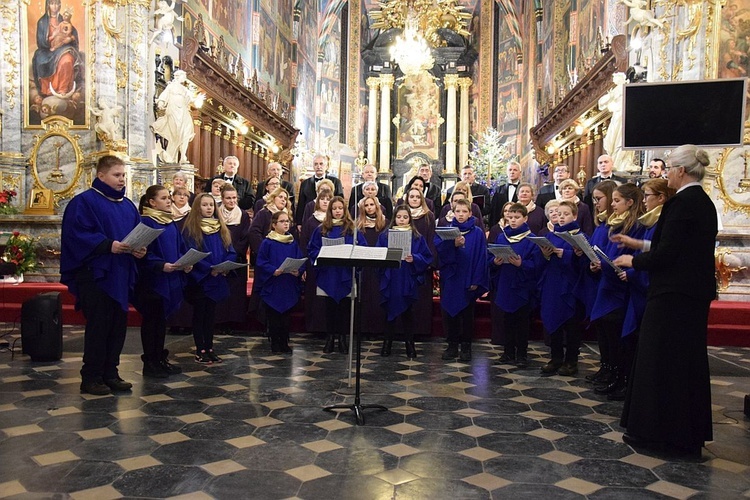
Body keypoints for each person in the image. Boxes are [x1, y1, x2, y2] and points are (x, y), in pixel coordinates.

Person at [614, 145, 717, 457]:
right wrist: (639, 243)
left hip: (672, 296)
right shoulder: (704, 203)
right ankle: (686, 435)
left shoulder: (680, 203)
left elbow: (668, 254)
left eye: (670, 167)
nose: (666, 172)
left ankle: (658, 435)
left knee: (661, 363)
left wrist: (634, 261)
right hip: (692, 295)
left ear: (680, 172)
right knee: (686, 365)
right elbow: (678, 246)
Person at [60, 155, 146, 395]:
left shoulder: (127, 205)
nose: (122, 180)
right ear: (101, 176)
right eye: (117, 175)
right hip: (96, 274)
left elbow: (137, 232)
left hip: (120, 273)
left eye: (123, 176)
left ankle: (111, 373)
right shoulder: (84, 202)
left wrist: (140, 248)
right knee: (99, 326)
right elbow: (76, 235)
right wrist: (109, 245)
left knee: (118, 326)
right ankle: (91, 377)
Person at [606, 178, 675, 401]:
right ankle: (625, 380)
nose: (644, 200)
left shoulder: (660, 222)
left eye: (647, 196)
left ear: (661, 198)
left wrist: (633, 268)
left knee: (635, 340)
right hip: (637, 284)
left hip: (645, 286)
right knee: (629, 340)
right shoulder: (650, 223)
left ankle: (631, 385)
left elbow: (658, 256)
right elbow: (648, 251)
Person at [589, 183, 644, 398]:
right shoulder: (615, 223)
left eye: (616, 200)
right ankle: (611, 372)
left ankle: (621, 378)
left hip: (621, 288)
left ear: (630, 202)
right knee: (606, 331)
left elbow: (635, 256)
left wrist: (623, 269)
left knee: (618, 336)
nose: (612, 204)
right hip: (607, 283)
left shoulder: (635, 226)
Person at [135, 185, 190, 378]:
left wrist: (186, 261)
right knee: (152, 321)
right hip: (152, 281)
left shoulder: (170, 222)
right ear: (152, 202)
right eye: (164, 198)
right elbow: (141, 252)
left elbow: (180, 246)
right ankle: (150, 362)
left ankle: (159, 358)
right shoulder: (146, 222)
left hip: (170, 278)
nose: (169, 201)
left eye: (169, 198)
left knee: (160, 322)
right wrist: (160, 266)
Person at [307, 196, 366, 354]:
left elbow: (363, 247)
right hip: (329, 273)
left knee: (344, 309)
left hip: (345, 273)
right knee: (330, 308)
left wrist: (355, 250)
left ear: (344, 210)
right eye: (334, 208)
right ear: (330, 211)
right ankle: (330, 338)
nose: (337, 211)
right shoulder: (321, 229)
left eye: (340, 208)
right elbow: (312, 249)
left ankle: (343, 339)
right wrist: (322, 253)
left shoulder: (352, 229)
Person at [182, 193, 236, 364]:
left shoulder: (221, 228)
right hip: (200, 279)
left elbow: (231, 250)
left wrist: (225, 266)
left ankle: (210, 347)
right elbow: (192, 253)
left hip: (216, 278)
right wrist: (209, 269)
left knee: (211, 315)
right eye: (204, 205)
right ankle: (200, 349)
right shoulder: (191, 229)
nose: (208, 208)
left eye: (211, 205)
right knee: (200, 315)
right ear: (198, 207)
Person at [435, 198, 489, 361]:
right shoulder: (447, 230)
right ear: (452, 212)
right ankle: (452, 345)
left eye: (464, 211)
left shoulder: (478, 232)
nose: (461, 214)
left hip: (468, 278)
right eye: (458, 211)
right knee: (449, 313)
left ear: (470, 213)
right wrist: (453, 245)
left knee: (467, 314)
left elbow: (481, 257)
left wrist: (476, 280)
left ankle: (466, 347)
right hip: (451, 278)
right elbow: (440, 254)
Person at [489, 202, 542, 368]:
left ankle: (521, 354)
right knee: (507, 320)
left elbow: (537, 264)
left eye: (517, 217)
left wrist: (522, 264)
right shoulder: (501, 236)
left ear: (525, 218)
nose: (513, 220)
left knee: (521, 322)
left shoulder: (531, 239)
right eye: (510, 217)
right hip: (505, 283)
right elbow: (491, 258)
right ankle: (508, 352)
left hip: (522, 286)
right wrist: (495, 262)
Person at [377, 205, 432, 358]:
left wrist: (415, 258)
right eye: (399, 217)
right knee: (389, 312)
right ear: (394, 218)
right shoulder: (385, 235)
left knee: (408, 312)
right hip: (391, 277)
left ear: (410, 219)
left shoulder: (416, 236)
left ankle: (410, 344)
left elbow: (427, 257)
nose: (402, 220)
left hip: (407, 277)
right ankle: (387, 343)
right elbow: (378, 253)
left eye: (405, 217)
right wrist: (386, 256)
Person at [539, 200, 586, 376]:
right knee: (554, 323)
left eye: (566, 214)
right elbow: (541, 261)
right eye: (559, 214)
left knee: (572, 326)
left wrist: (565, 254)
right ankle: (556, 358)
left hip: (571, 286)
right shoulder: (551, 235)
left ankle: (571, 360)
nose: (561, 217)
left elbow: (585, 262)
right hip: (552, 285)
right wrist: (545, 255)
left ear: (574, 216)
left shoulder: (579, 236)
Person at [255, 211, 305, 353]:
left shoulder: (292, 242)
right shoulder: (268, 242)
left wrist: (298, 270)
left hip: (288, 283)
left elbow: (299, 259)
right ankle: (275, 342)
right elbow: (261, 262)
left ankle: (284, 342)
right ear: (274, 224)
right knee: (275, 317)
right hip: (274, 284)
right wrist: (272, 270)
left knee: (286, 318)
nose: (285, 224)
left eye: (287, 221)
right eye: (282, 221)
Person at [215, 184, 251, 332]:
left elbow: (245, 237)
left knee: (236, 294)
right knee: (221, 292)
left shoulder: (243, 215)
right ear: (222, 199)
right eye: (228, 198)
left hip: (237, 260)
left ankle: (235, 323)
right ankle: (220, 322)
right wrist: (222, 255)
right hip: (220, 260)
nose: (232, 201)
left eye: (234, 198)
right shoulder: (216, 214)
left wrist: (233, 254)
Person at [32, 0, 82, 99]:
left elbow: (73, 33)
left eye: (56, 4)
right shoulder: (42, 22)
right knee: (39, 59)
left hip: (63, 49)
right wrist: (51, 43)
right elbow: (40, 41)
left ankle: (63, 89)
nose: (54, 6)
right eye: (52, 4)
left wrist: (70, 39)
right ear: (48, 5)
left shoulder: (63, 20)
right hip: (47, 51)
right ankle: (48, 90)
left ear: (59, 5)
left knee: (67, 60)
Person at [356, 195, 389, 341]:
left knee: (377, 295)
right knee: (363, 296)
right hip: (363, 266)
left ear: (377, 206)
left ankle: (377, 329)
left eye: (372, 205)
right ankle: (363, 328)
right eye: (366, 205)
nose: (369, 208)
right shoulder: (358, 224)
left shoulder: (385, 223)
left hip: (379, 265)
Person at [151, 70, 196, 164]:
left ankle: (183, 155)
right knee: (175, 133)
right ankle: (170, 156)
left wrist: (197, 100)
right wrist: (161, 102)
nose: (184, 78)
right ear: (177, 76)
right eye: (183, 76)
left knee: (186, 132)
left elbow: (191, 100)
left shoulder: (184, 89)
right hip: (173, 110)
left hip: (183, 110)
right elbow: (164, 95)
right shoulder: (171, 86)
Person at [296, 154, 343, 229]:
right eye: (316, 164)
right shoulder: (305, 183)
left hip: (331, 219)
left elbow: (340, 202)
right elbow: (301, 203)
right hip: (310, 219)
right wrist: (299, 223)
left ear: (326, 166)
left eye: (321, 164)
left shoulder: (336, 182)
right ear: (313, 166)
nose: (318, 166)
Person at [489, 160, 523, 226]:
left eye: (515, 170)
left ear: (520, 173)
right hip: (500, 225)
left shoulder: (523, 190)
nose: (512, 172)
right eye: (510, 170)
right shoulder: (498, 190)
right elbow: (493, 211)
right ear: (507, 172)